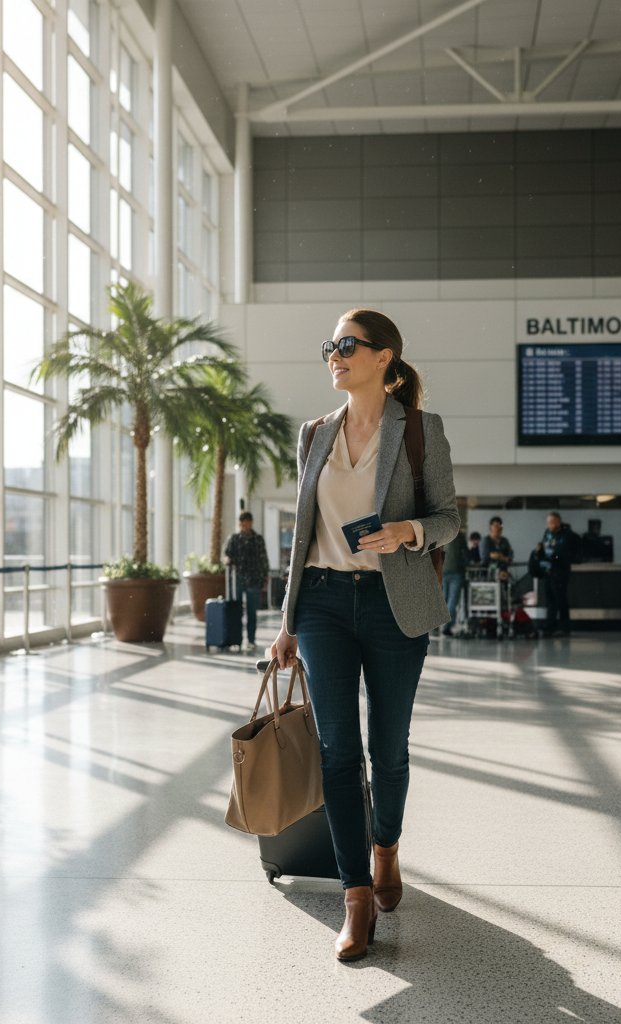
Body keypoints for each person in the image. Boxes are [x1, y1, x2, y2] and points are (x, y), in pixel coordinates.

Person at [270, 308, 458, 963]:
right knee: (338, 753)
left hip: (391, 602)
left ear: (384, 357)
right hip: (323, 600)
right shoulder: (314, 433)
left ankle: (386, 849)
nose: (334, 354)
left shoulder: (419, 432)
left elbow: (449, 517)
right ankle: (355, 896)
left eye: (347, 345)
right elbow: (302, 535)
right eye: (331, 345)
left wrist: (409, 532)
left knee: (390, 748)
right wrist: (288, 621)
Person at [223, 511, 270, 652]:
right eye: (241, 524)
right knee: (236, 611)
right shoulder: (234, 538)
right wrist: (226, 560)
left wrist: (265, 578)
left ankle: (251, 640)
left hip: (254, 580)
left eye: (246, 524)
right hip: (237, 580)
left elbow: (263, 560)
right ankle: (236, 640)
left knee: (251, 612)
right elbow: (226, 554)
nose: (243, 527)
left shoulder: (258, 539)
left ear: (251, 523)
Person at [532, 511, 580, 637]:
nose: (550, 525)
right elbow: (545, 548)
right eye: (548, 523)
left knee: (560, 599)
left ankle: (565, 627)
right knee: (550, 600)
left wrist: (556, 556)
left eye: (552, 522)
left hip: (560, 571)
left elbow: (563, 552)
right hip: (548, 571)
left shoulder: (566, 535)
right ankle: (550, 626)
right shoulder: (547, 533)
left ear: (558, 522)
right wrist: (539, 551)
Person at [441, 526, 469, 636]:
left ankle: (441, 625)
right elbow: (465, 553)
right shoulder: (460, 536)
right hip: (456, 572)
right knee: (452, 600)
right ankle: (446, 627)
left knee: (444, 600)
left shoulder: (442, 534)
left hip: (442, 571)